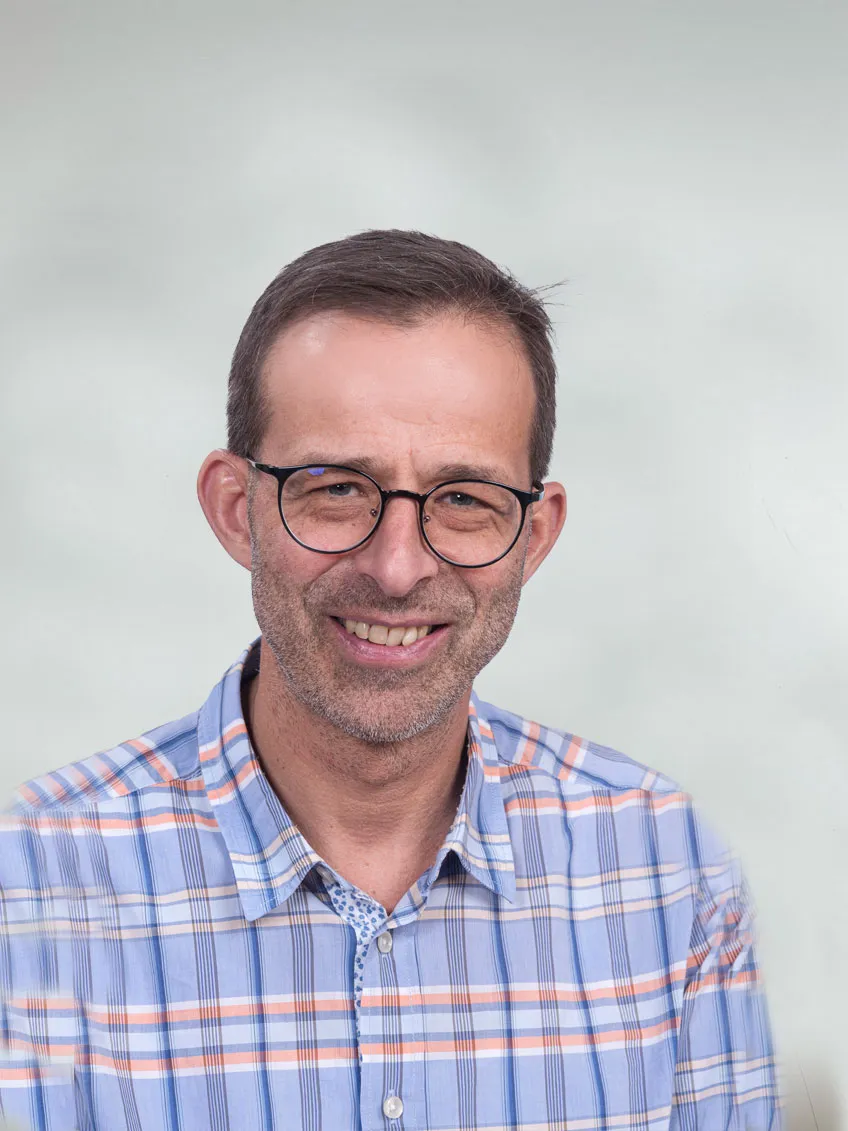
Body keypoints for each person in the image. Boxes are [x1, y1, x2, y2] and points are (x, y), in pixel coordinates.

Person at [0, 230, 780, 1130]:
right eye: (335, 488)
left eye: (464, 498)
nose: (400, 567)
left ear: (534, 535)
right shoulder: (31, 900)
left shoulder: (674, 881)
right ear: (234, 509)